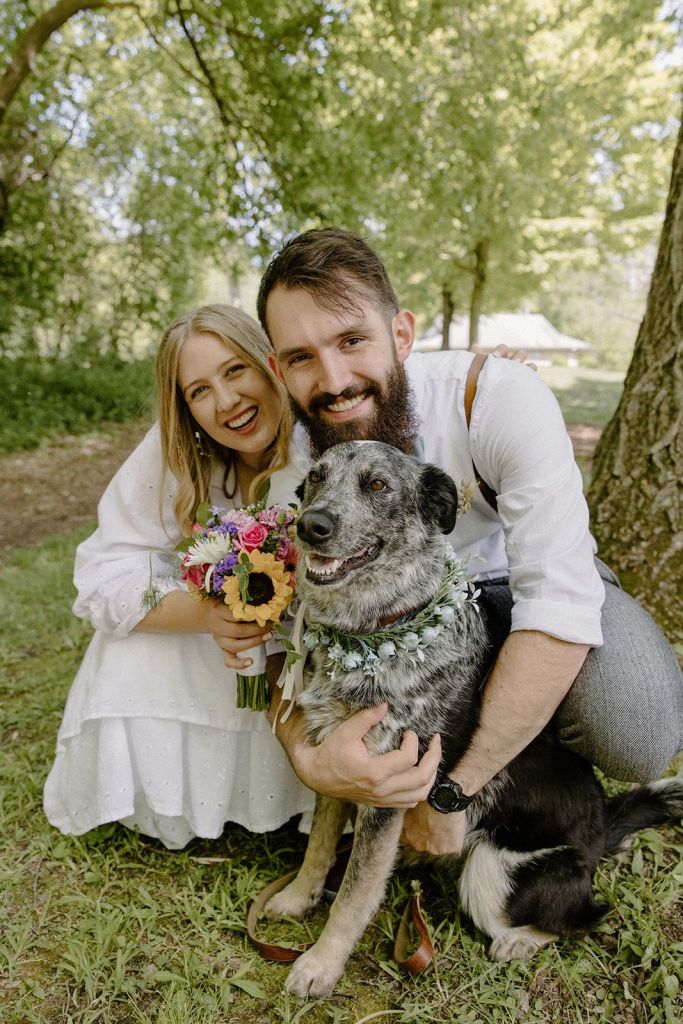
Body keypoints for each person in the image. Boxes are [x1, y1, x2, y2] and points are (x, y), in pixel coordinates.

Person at [256, 227, 683, 856]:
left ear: (401, 335)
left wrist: (453, 791)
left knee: (636, 724)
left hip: (519, 590)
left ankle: (525, 763)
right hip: (397, 623)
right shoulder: (296, 464)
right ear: (278, 367)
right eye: (300, 356)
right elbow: (275, 634)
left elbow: (558, 604)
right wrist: (309, 759)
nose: (334, 379)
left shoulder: (499, 398)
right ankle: (487, 719)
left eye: (352, 340)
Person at [43, 305, 315, 850]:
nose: (226, 402)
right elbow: (103, 575)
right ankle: (180, 793)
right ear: (185, 408)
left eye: (235, 370)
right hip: (226, 647)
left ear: (269, 363)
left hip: (309, 648)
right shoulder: (179, 455)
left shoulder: (323, 439)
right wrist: (203, 613)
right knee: (129, 637)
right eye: (199, 390)